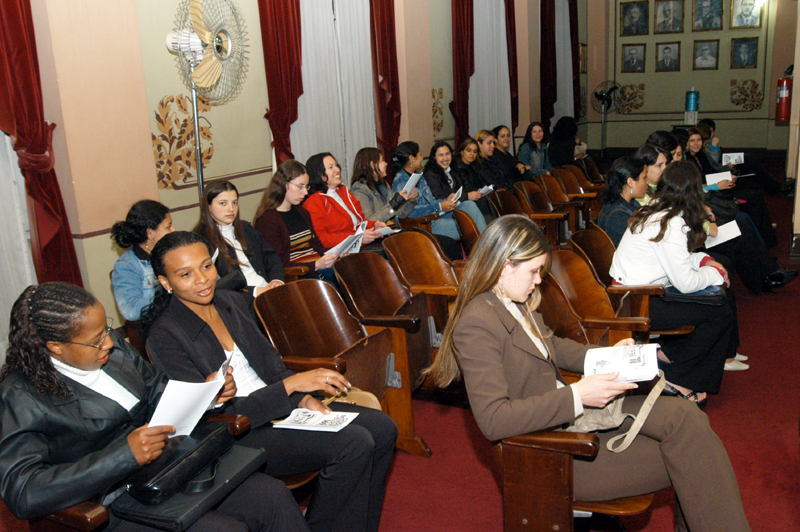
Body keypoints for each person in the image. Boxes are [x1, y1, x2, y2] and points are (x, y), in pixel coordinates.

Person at [425, 215, 751, 532]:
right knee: (697, 457)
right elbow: (494, 420)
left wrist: (611, 356)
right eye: (535, 271)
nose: (539, 280)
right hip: (551, 451)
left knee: (687, 416)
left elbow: (552, 345)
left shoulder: (510, 299)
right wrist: (579, 395)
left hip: (569, 418)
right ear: (504, 265)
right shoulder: (477, 323)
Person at [0, 282, 309, 531]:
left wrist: (207, 393)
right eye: (96, 340)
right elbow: (23, 490)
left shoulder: (114, 352)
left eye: (106, 331)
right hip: (111, 501)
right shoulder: (21, 395)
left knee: (272, 496)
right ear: (55, 347)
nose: (108, 343)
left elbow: (159, 390)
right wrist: (122, 456)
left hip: (169, 470)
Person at [145, 231, 397, 532]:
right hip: (237, 431)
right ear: (165, 282)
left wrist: (301, 397)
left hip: (278, 407)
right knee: (353, 443)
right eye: (185, 274)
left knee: (383, 428)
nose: (202, 279)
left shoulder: (230, 302)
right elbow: (204, 422)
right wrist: (291, 387)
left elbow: (271, 365)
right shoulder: (164, 336)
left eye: (206, 267)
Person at [611, 162, 743, 395]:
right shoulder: (670, 222)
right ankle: (678, 379)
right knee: (719, 313)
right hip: (637, 300)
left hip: (636, 292)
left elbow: (676, 258)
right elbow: (686, 283)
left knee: (715, 307)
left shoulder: (657, 208)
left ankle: (669, 358)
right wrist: (715, 274)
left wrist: (703, 261)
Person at [193, 180, 284, 297]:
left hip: (268, 289)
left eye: (234, 203)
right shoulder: (201, 241)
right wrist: (255, 292)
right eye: (223, 203)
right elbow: (219, 285)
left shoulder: (245, 228)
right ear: (209, 206)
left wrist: (276, 280)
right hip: (241, 302)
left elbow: (270, 256)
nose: (231, 209)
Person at [253, 159, 339, 283]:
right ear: (283, 184)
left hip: (317, 269)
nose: (305, 192)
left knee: (353, 269)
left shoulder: (301, 211)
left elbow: (316, 245)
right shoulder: (268, 221)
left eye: (306, 186)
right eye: (300, 186)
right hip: (299, 276)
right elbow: (277, 265)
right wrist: (315, 265)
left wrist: (335, 255)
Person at [391, 140, 486, 241]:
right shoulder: (401, 181)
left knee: (469, 205)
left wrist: (445, 201)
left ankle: (487, 245)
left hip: (434, 215)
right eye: (419, 155)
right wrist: (439, 206)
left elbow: (431, 200)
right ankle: (487, 248)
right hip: (424, 223)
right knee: (468, 224)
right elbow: (408, 213)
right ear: (411, 158)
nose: (422, 158)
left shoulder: (418, 176)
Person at [303, 152, 387, 249]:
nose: (337, 170)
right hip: (342, 252)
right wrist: (356, 237)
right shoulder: (313, 202)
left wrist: (374, 225)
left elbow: (360, 221)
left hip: (361, 245)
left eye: (336, 165)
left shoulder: (343, 191)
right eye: (331, 167)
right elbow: (321, 239)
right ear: (318, 174)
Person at [111, 200, 175, 321]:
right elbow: (130, 310)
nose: (173, 230)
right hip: (158, 325)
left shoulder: (174, 251)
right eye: (168, 227)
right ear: (150, 233)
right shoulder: (127, 265)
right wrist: (171, 301)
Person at [421, 140, 488, 231]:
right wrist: (466, 196)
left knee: (472, 205)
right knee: (470, 206)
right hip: (442, 212)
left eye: (447, 154)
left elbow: (461, 188)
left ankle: (484, 238)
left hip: (455, 207)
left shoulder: (452, 169)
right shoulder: (430, 174)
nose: (445, 158)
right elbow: (439, 198)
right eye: (441, 155)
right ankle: (485, 240)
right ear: (434, 157)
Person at [350, 147, 417, 224]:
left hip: (393, 231)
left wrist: (411, 199)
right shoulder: (359, 189)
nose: (386, 163)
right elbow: (367, 222)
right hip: (379, 235)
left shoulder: (383, 185)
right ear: (372, 165)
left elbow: (400, 215)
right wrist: (393, 204)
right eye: (382, 160)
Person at [597, 156, 649, 247]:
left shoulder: (627, 202)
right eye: (644, 177)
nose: (647, 182)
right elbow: (636, 246)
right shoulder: (617, 215)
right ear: (630, 182)